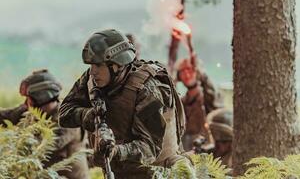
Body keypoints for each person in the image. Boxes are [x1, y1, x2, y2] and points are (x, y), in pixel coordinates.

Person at [58, 29, 188, 179]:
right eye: (91, 65)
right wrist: (88, 116)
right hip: (120, 172)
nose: (93, 71)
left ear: (117, 65)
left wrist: (115, 152)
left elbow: (149, 149)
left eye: (98, 65)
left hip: (159, 173)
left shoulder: (147, 89)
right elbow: (64, 114)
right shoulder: (92, 79)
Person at [0, 69, 89, 179]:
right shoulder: (31, 110)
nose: (26, 103)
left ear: (41, 97)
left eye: (29, 99)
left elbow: (42, 146)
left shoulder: (68, 118)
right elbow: (5, 116)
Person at [176, 56, 223, 151]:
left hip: (207, 152)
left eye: (190, 69)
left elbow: (211, 92)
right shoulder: (181, 102)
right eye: (182, 71)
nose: (187, 74)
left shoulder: (207, 98)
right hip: (186, 153)